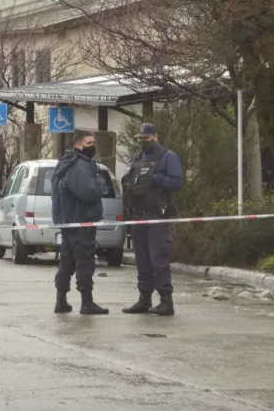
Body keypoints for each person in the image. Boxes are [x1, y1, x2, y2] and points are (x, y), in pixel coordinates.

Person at [121, 123, 183, 317]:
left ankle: (166, 301)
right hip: (138, 216)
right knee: (142, 260)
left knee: (158, 259)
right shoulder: (136, 158)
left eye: (146, 138)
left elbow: (176, 182)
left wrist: (155, 178)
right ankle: (144, 299)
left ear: (155, 136)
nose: (142, 141)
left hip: (157, 216)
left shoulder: (167, 157)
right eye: (140, 138)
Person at [51, 130, 109, 315]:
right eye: (89, 143)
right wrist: (100, 181)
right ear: (78, 144)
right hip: (82, 221)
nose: (93, 146)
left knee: (67, 262)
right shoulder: (80, 166)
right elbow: (89, 192)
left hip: (70, 222)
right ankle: (87, 302)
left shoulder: (66, 162)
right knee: (85, 262)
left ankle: (61, 301)